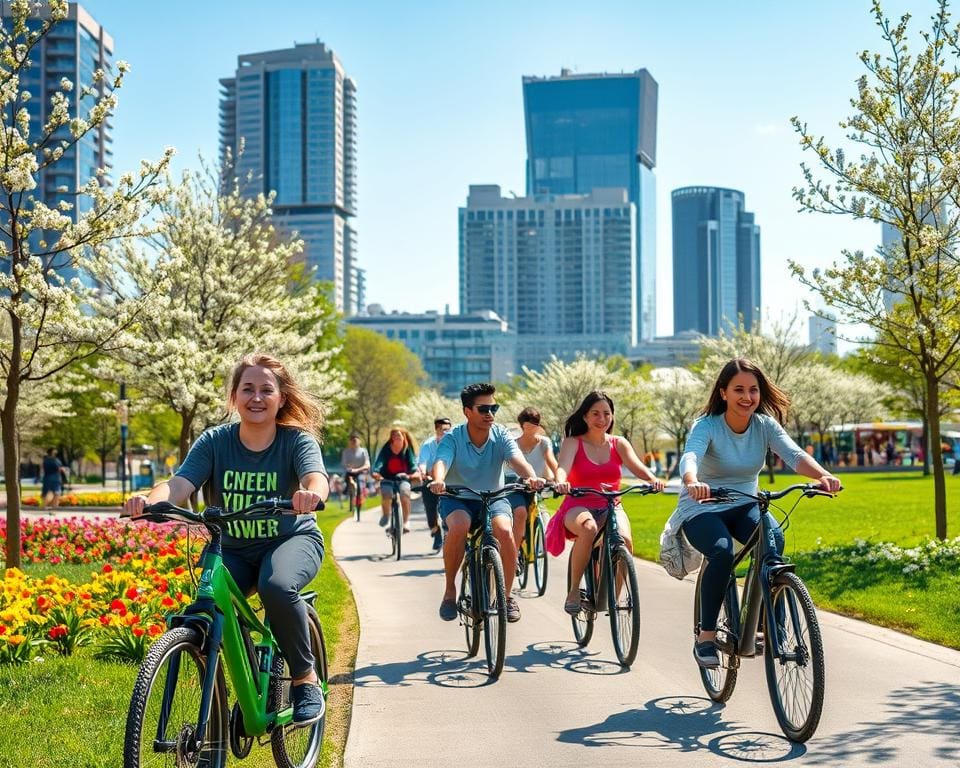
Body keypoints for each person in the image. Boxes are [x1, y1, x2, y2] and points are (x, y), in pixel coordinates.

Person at [123, 353, 330, 724]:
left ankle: (304, 678)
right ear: (234, 396)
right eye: (247, 389)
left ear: (282, 398)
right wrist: (152, 501)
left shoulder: (295, 440)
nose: (256, 397)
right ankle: (240, 691)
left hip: (291, 541)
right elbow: (179, 484)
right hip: (231, 548)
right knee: (206, 608)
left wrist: (310, 494)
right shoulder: (215, 441)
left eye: (266, 390)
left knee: (277, 585)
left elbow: (315, 477)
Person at [666, 358, 841, 670]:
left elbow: (794, 454)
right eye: (738, 390)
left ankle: (765, 627)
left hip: (746, 503)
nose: (747, 397)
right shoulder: (707, 425)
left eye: (753, 390)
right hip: (702, 506)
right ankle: (706, 637)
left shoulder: (764, 426)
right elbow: (690, 455)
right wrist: (692, 481)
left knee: (773, 542)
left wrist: (822, 476)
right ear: (723, 393)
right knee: (721, 552)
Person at [429, 383, 544, 623]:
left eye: (494, 407)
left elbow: (516, 459)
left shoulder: (500, 434)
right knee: (459, 526)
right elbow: (441, 461)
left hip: (494, 497)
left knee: (505, 531)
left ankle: (508, 596)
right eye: (483, 409)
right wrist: (439, 480)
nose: (490, 413)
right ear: (467, 411)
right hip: (458, 498)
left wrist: (530, 476)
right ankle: (450, 590)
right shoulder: (453, 437)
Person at [549, 391, 664, 614]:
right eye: (595, 414)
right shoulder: (573, 442)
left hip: (611, 504)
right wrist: (560, 482)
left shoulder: (618, 443)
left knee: (625, 541)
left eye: (607, 414)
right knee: (588, 528)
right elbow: (562, 466)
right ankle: (574, 591)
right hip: (578, 504)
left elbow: (637, 466)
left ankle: (615, 597)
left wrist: (652, 480)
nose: (602, 419)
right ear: (585, 417)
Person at [505, 407, 559, 552]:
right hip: (517, 486)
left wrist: (559, 480)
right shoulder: (513, 444)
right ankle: (514, 554)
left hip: (538, 484)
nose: (534, 426)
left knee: (540, 511)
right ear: (523, 425)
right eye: (530, 423)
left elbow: (551, 461)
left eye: (536, 423)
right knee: (520, 512)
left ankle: (535, 540)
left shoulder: (544, 442)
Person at [371, 426, 420, 532]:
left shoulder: (407, 449)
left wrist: (415, 472)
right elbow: (380, 462)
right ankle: (386, 515)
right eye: (394, 435)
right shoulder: (386, 449)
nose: (397, 437)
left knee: (405, 494)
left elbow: (412, 464)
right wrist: (376, 471)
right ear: (391, 438)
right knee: (386, 494)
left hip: (403, 478)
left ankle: (406, 522)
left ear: (404, 437)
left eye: (399, 435)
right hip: (387, 478)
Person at [418, 416, 453, 550]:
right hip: (431, 481)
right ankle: (435, 530)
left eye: (449, 430)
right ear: (437, 430)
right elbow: (422, 462)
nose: (447, 433)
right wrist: (423, 473)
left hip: (449, 482)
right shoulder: (428, 445)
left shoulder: (453, 443)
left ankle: (448, 535)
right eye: (444, 430)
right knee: (430, 512)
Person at [340, 432, 371, 511]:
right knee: (348, 480)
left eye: (355, 440)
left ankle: (361, 496)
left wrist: (359, 469)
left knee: (361, 482)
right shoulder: (346, 452)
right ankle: (347, 492)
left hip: (360, 471)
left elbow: (367, 464)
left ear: (359, 441)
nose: (354, 442)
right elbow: (344, 464)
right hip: (350, 472)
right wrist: (350, 468)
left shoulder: (363, 451)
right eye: (352, 440)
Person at [41, 448, 68, 513]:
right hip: (54, 478)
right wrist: (63, 470)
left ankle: (46, 507)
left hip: (49, 478)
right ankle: (53, 508)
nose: (56, 453)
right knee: (55, 493)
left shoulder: (46, 460)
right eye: (55, 452)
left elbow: (43, 468)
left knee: (50, 493)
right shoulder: (55, 460)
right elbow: (59, 469)